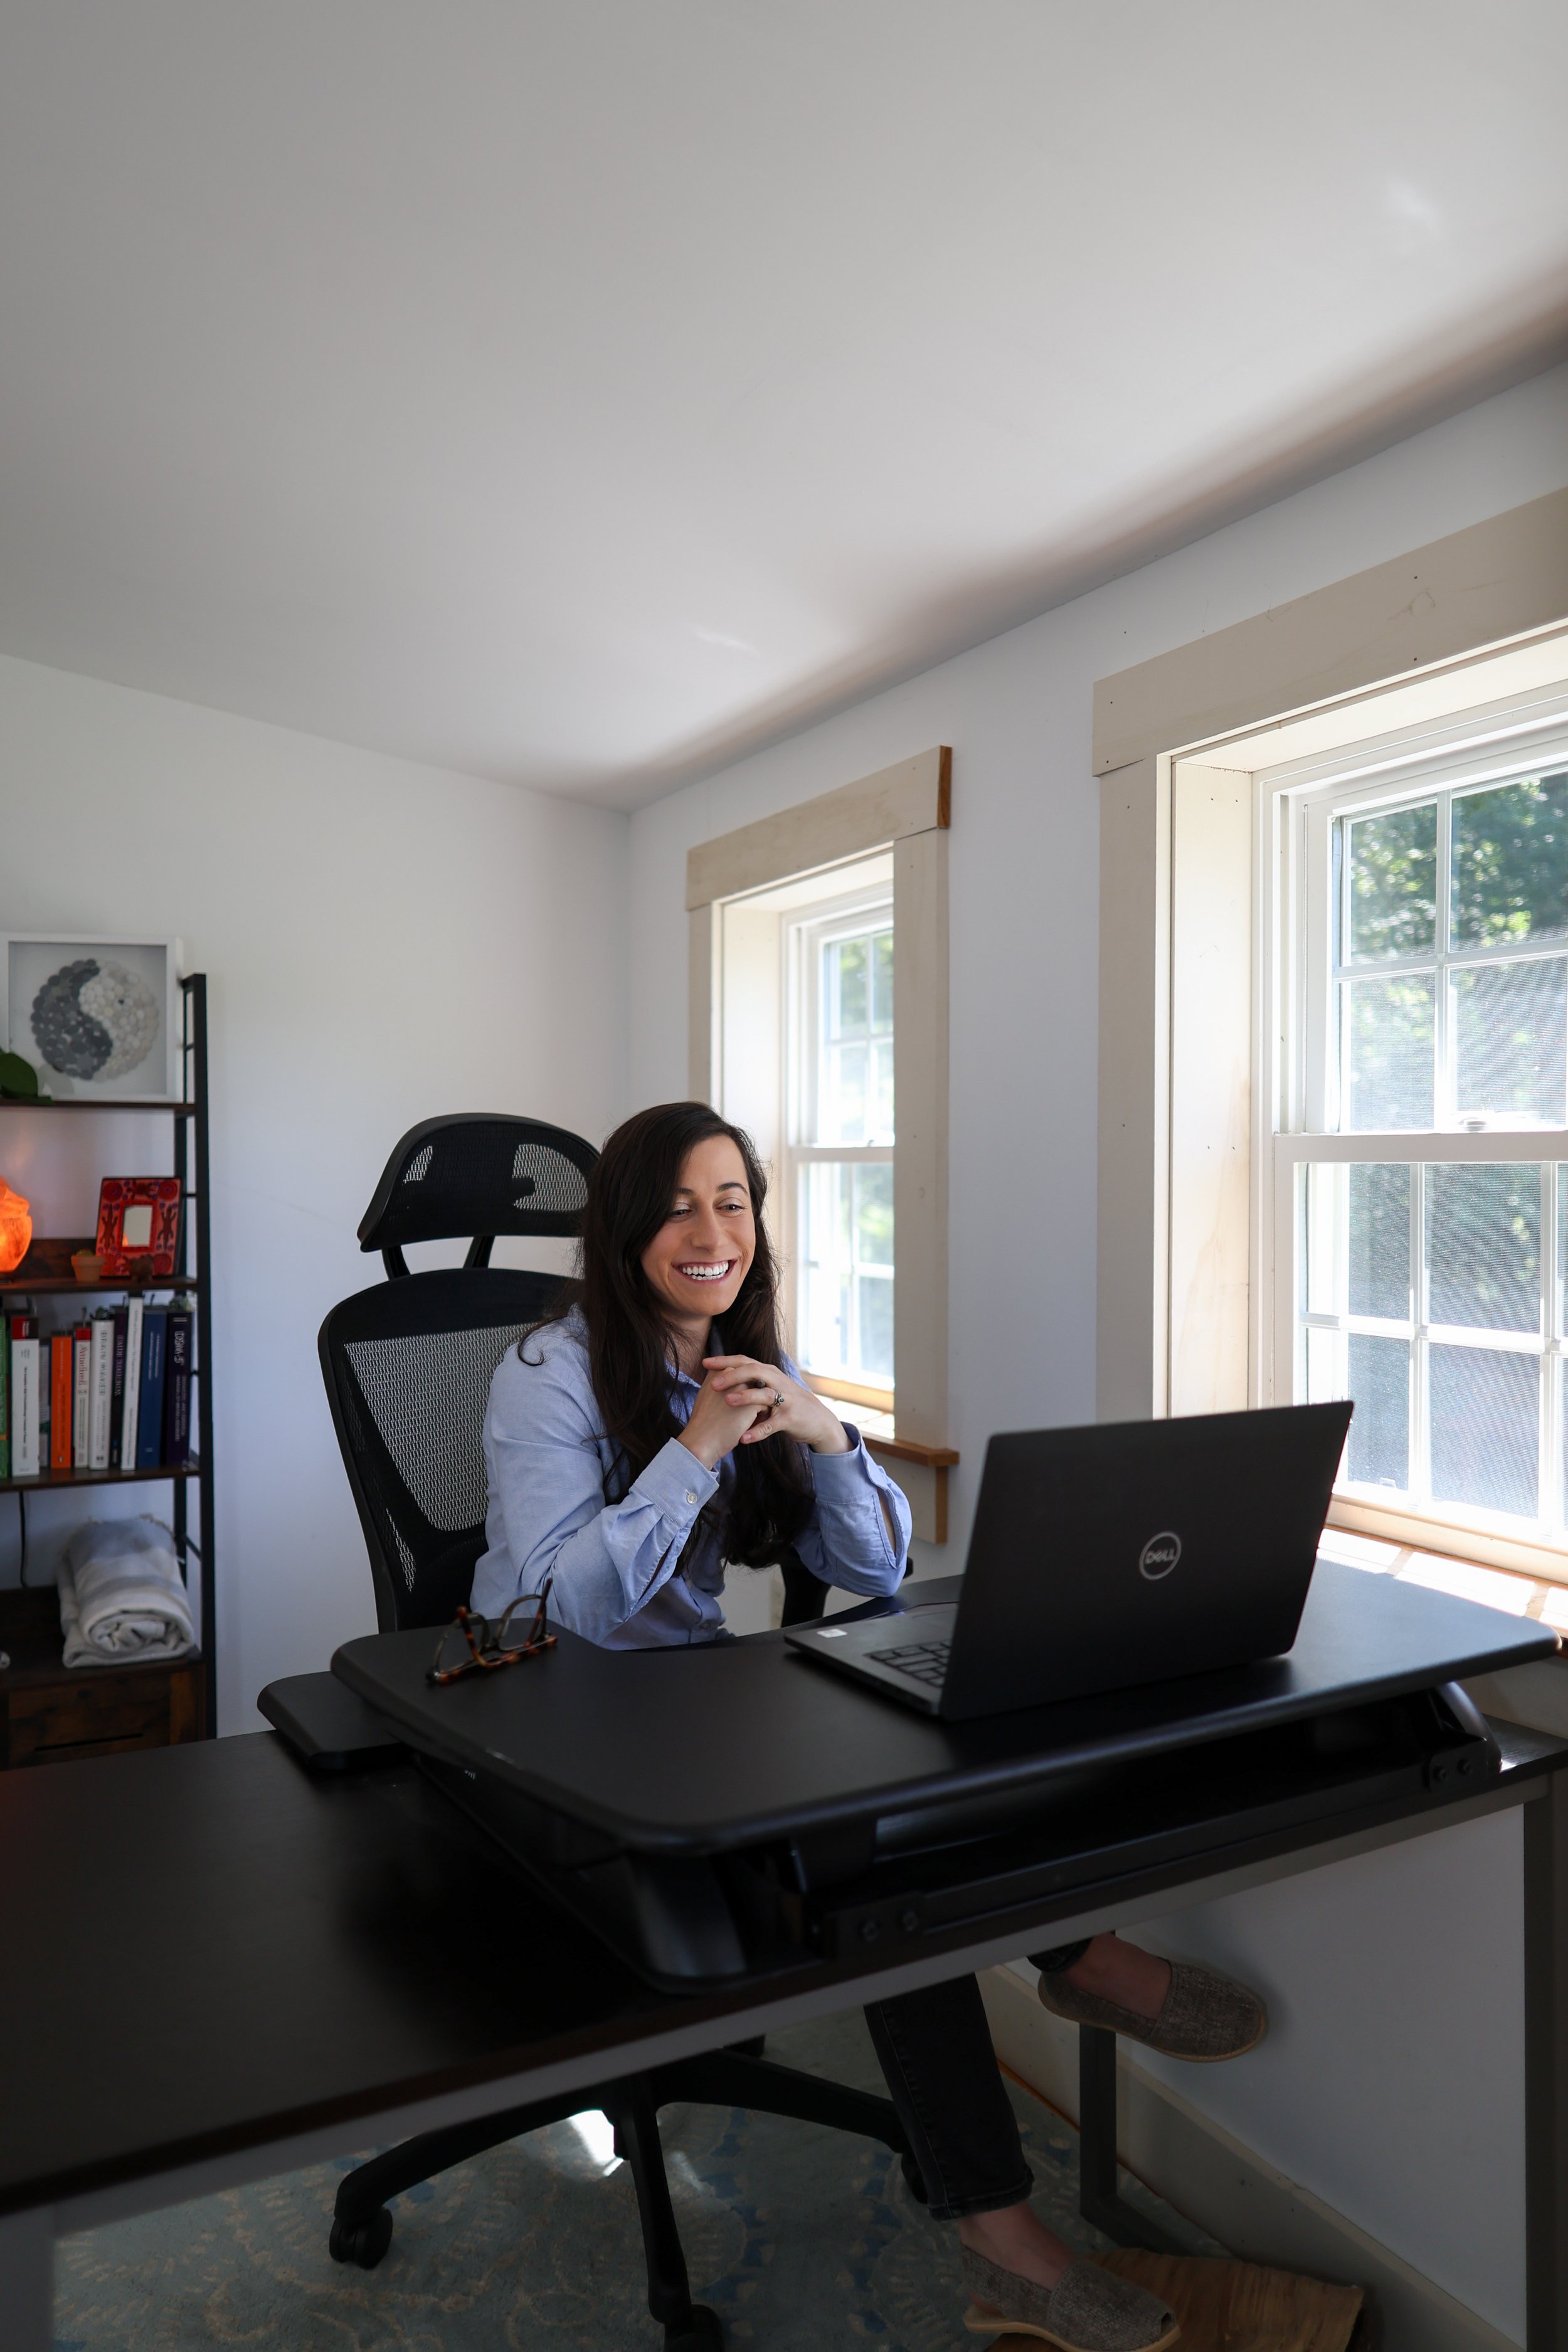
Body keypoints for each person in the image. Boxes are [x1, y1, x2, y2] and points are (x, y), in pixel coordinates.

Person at [474, 1101, 1266, 2352]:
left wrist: (827, 1436)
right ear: (621, 1227)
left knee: (934, 1747)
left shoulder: (748, 1353)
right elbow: (569, 1604)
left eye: (731, 1199)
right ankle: (1005, 2204)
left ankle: (1073, 1964)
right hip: (552, 1711)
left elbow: (873, 1564)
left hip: (687, 1692)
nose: (709, 1228)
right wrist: (692, 1447)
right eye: (676, 1203)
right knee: (864, 1862)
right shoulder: (545, 1375)